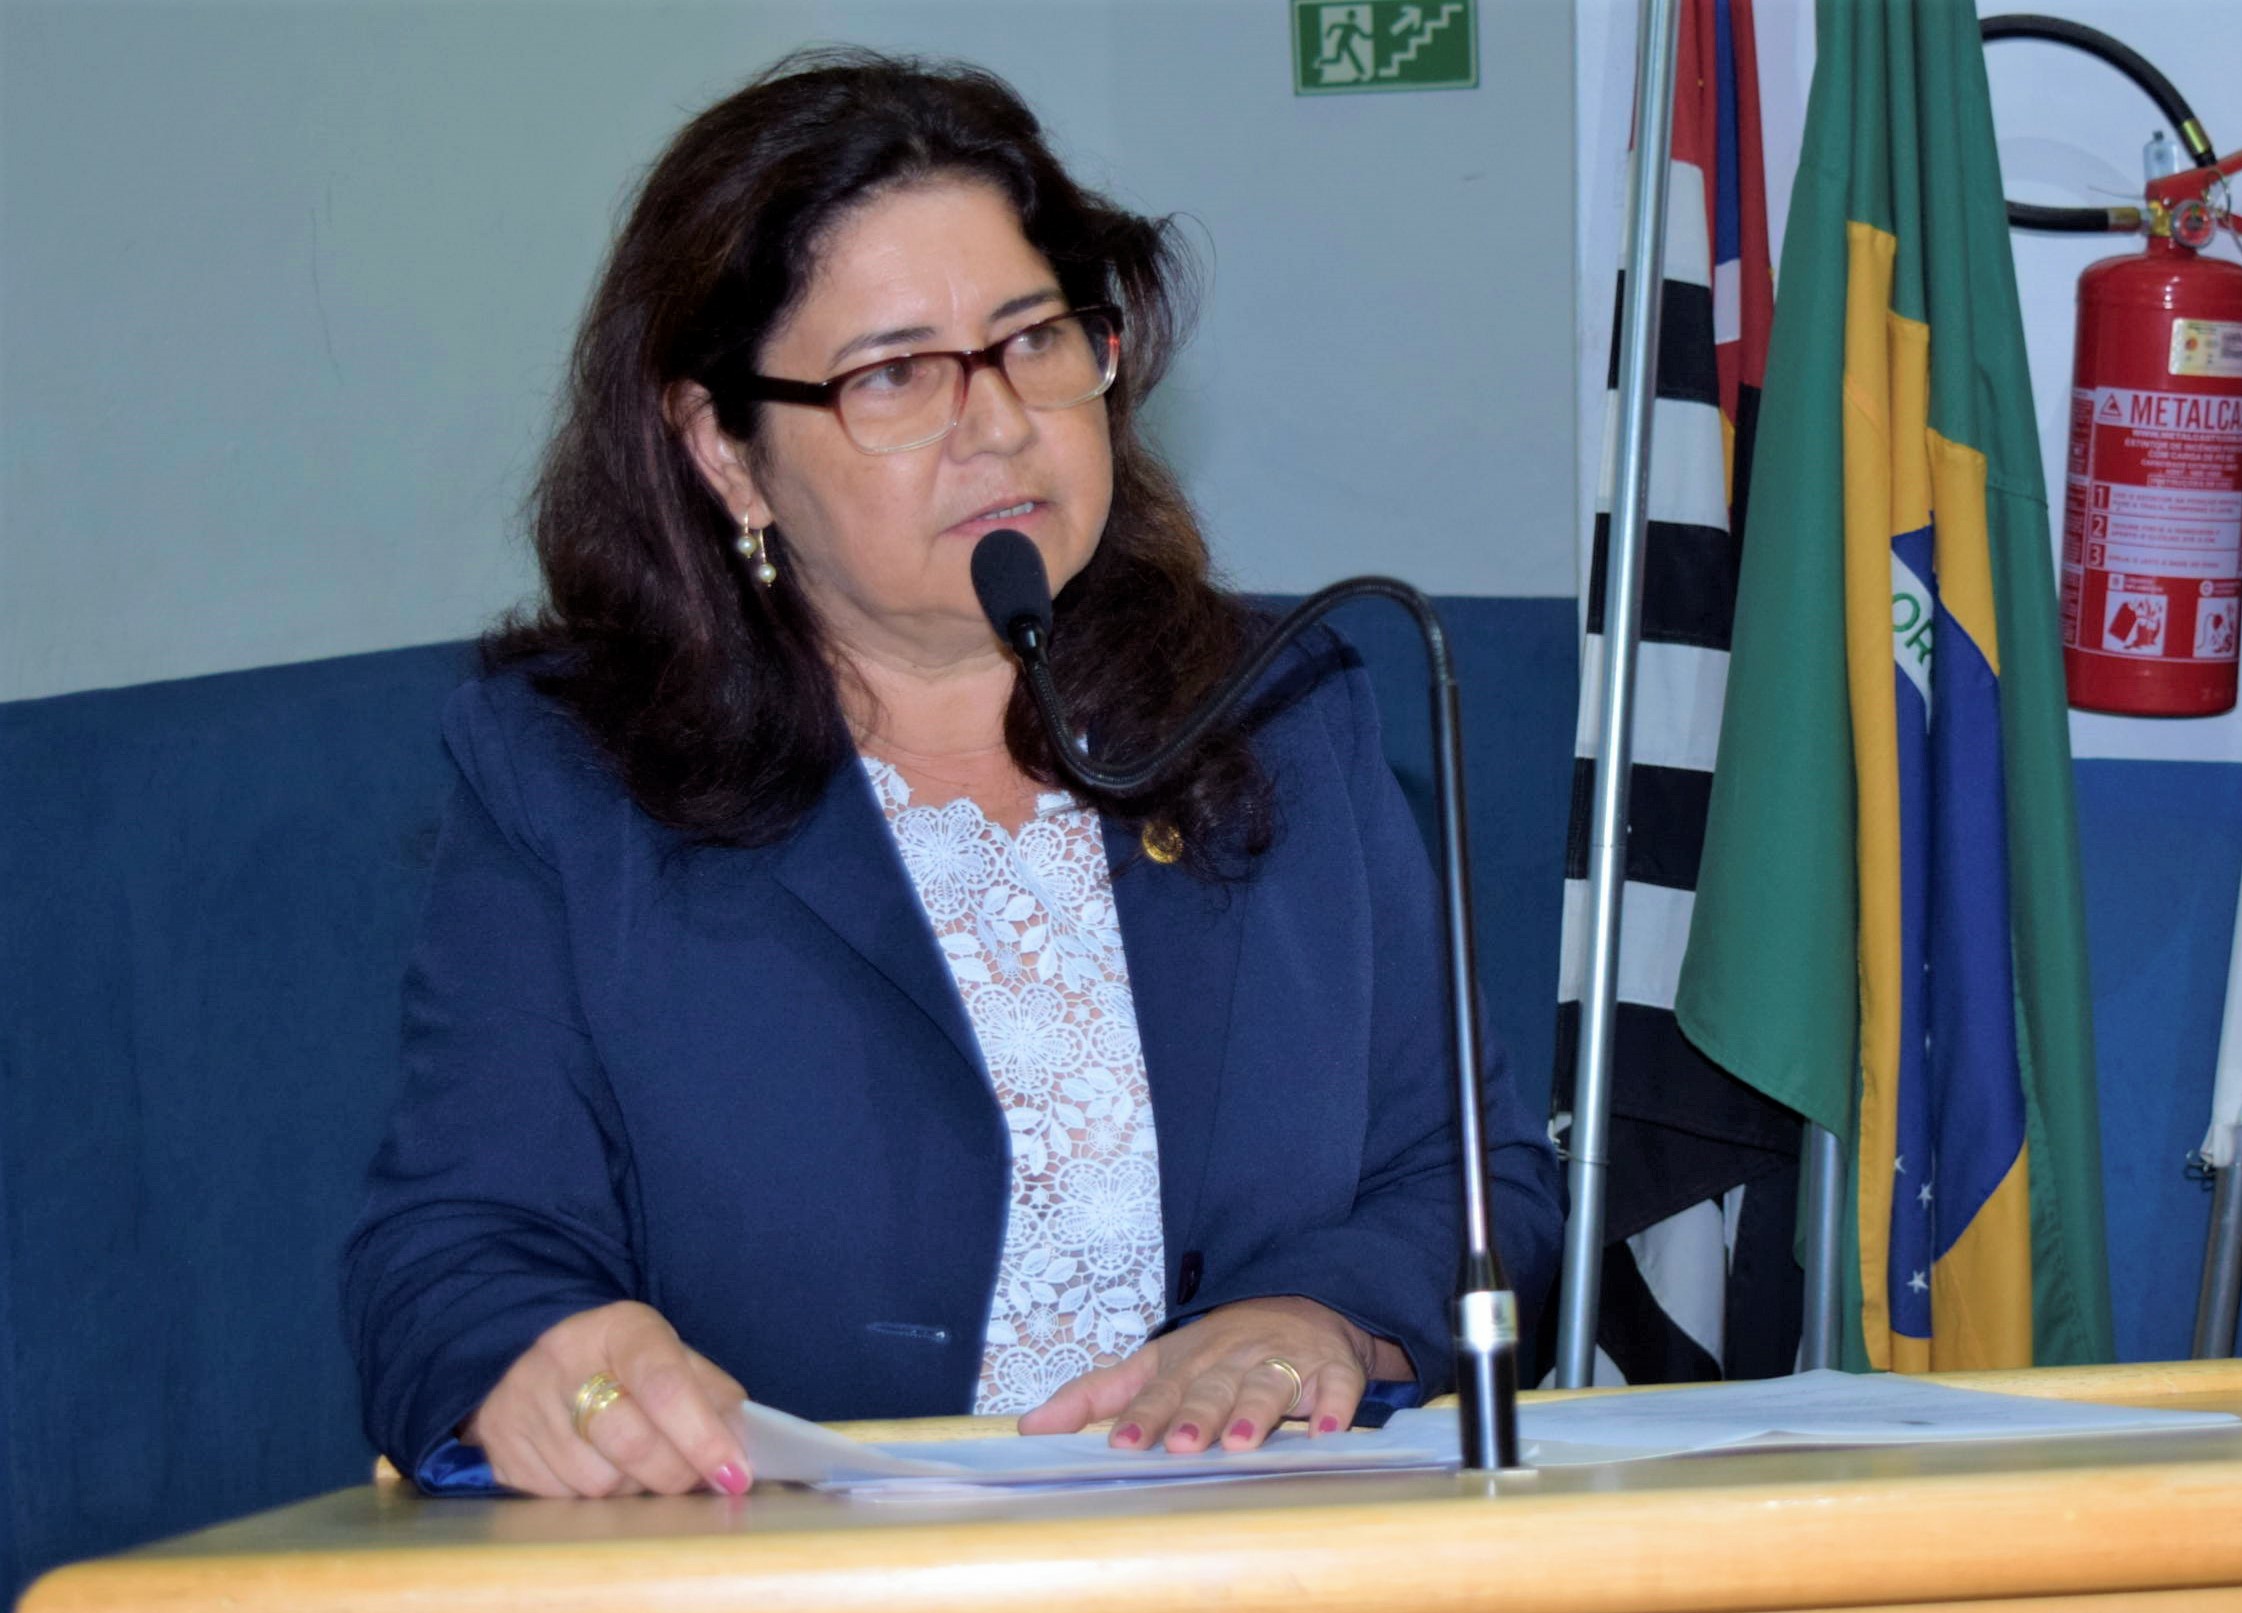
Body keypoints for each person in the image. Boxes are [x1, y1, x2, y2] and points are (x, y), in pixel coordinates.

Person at [340, 49, 1562, 1499]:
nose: (996, 422)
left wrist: (1314, 1320)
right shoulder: (572, 778)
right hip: (795, 1582)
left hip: (1254, 1558)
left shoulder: (1282, 707)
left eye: (1033, 339)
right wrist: (553, 1362)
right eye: (895, 374)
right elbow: (452, 1257)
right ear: (725, 451)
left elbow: (1474, 1182)